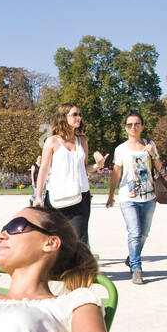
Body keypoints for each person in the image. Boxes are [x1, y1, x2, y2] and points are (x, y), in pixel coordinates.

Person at [35, 103, 107, 243]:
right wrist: (38, 196)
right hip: (57, 195)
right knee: (56, 238)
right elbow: (43, 169)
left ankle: (82, 264)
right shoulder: (52, 141)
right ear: (63, 117)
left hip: (81, 194)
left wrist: (98, 165)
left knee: (80, 238)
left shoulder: (82, 141)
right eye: (74, 114)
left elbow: (84, 168)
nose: (78, 117)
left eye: (79, 114)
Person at [106, 111, 161, 285]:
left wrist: (153, 154)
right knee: (135, 233)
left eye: (137, 124)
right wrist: (111, 195)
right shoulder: (120, 149)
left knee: (144, 234)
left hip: (149, 196)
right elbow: (116, 173)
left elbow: (159, 166)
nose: (133, 127)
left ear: (142, 126)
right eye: (129, 125)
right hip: (128, 197)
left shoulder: (149, 145)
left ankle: (132, 257)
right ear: (125, 128)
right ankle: (137, 268)